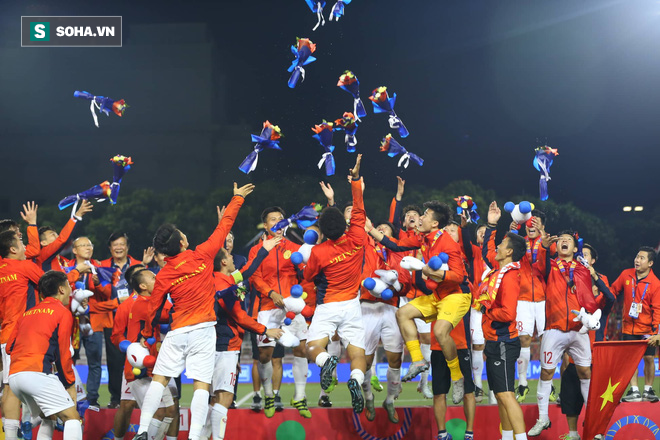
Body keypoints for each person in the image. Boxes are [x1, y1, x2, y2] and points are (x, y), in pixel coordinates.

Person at [133, 182, 254, 440]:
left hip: (177, 333)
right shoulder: (202, 254)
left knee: (160, 379)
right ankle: (195, 436)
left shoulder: (164, 273)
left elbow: (153, 307)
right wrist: (237, 199)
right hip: (203, 332)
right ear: (183, 241)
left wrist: (146, 333)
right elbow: (224, 228)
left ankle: (142, 430)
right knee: (201, 385)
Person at [368, 199, 471, 405]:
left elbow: (459, 276)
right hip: (438, 297)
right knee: (402, 313)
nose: (420, 217)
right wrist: (370, 229)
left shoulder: (447, 243)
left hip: (457, 296)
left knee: (440, 331)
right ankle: (417, 360)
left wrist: (425, 270)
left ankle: (457, 377)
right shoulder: (424, 238)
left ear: (434, 223)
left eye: (425, 214)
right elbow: (395, 245)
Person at [303, 154, 368, 414]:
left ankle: (326, 360)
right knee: (357, 355)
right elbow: (359, 205)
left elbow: (308, 277)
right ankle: (355, 380)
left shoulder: (319, 252)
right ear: (345, 223)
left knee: (313, 347)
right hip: (352, 305)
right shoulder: (358, 235)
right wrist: (354, 178)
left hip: (328, 306)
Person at [209, 247, 284, 439]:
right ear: (223, 263)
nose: (234, 258)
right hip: (224, 345)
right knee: (224, 396)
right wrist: (266, 330)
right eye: (229, 256)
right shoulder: (222, 285)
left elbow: (247, 271)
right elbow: (240, 317)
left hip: (219, 344)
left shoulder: (224, 280)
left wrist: (264, 250)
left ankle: (202, 436)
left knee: (213, 397)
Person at [528, 230, 596, 437]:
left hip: (578, 329)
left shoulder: (583, 269)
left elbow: (589, 294)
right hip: (554, 329)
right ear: (556, 247)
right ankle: (543, 418)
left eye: (569, 241)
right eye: (561, 241)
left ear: (575, 248)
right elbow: (538, 264)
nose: (564, 242)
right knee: (546, 372)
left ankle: (592, 417)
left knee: (585, 372)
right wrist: (542, 246)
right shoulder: (549, 265)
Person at [6, 271, 82, 440]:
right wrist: (69, 383)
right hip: (36, 374)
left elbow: (9, 348)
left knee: (49, 417)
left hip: (15, 378)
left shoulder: (26, 314)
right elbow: (63, 353)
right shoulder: (62, 312)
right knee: (72, 418)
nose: (71, 289)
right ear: (62, 289)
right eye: (69, 286)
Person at [249, 206, 308, 418]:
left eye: (281, 219)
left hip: (292, 308)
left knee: (301, 350)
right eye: (273, 220)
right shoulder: (257, 250)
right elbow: (253, 277)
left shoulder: (295, 248)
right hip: (268, 308)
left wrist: (303, 268)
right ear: (265, 226)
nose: (278, 223)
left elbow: (305, 275)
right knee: (265, 355)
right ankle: (268, 396)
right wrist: (271, 292)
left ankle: (300, 396)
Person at [477, 206, 528, 440]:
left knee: (507, 394)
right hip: (494, 341)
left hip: (504, 342)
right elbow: (487, 250)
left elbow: (507, 313)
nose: (497, 246)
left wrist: (486, 308)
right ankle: (507, 437)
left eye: (501, 244)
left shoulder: (509, 277)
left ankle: (521, 437)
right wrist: (491, 225)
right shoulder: (500, 270)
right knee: (499, 394)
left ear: (508, 252)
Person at [558, 244, 614, 440]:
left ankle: (596, 432)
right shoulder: (573, 287)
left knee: (595, 399)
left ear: (593, 262)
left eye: (586, 255)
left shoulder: (600, 301)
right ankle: (573, 434)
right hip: (575, 356)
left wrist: (595, 277)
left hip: (595, 356)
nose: (581, 257)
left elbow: (611, 297)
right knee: (570, 397)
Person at [386, 176, 432, 398]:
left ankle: (424, 383)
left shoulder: (427, 240)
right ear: (403, 224)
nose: (412, 218)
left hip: (422, 296)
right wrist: (399, 197)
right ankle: (394, 388)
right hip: (401, 296)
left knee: (426, 340)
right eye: (408, 217)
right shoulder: (401, 237)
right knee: (395, 344)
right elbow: (393, 218)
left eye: (416, 216)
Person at [0, 229, 44, 440]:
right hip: (25, 335)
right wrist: (74, 274)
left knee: (10, 385)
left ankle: (15, 431)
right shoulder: (25, 266)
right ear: (12, 249)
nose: (25, 247)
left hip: (6, 335)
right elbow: (52, 284)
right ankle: (33, 420)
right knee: (34, 380)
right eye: (21, 243)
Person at [509, 210, 551, 403]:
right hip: (523, 299)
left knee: (547, 342)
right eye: (529, 222)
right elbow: (508, 254)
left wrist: (544, 246)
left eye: (536, 222)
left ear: (542, 226)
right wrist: (511, 233)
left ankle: (548, 385)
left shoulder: (549, 244)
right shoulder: (520, 242)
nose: (531, 225)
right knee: (524, 339)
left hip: (544, 299)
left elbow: (545, 268)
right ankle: (523, 383)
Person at [612, 247, 660, 402]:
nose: (637, 260)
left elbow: (658, 309)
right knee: (630, 360)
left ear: (650, 263)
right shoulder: (626, 274)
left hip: (647, 328)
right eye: (637, 256)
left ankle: (648, 390)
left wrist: (656, 332)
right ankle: (634, 390)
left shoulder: (655, 283)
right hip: (628, 326)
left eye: (642, 258)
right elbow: (613, 290)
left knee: (649, 358)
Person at [431, 314, 475, 440]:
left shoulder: (462, 293)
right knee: (439, 392)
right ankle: (442, 434)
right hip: (437, 346)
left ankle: (469, 434)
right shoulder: (433, 293)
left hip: (460, 344)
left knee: (468, 391)